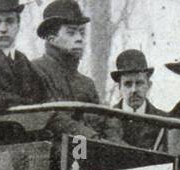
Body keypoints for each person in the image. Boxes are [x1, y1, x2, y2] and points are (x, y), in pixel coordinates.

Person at [31, 1, 122, 143]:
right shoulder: (35, 71)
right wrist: (93, 139)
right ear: (51, 39)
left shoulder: (87, 84)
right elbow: (51, 118)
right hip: (54, 156)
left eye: (81, 32)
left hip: (90, 152)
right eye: (71, 32)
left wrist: (119, 146)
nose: (79, 39)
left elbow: (106, 122)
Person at [110, 49, 165, 149]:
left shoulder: (164, 122)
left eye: (139, 83)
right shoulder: (106, 118)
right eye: (128, 84)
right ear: (119, 88)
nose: (134, 90)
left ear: (149, 85)